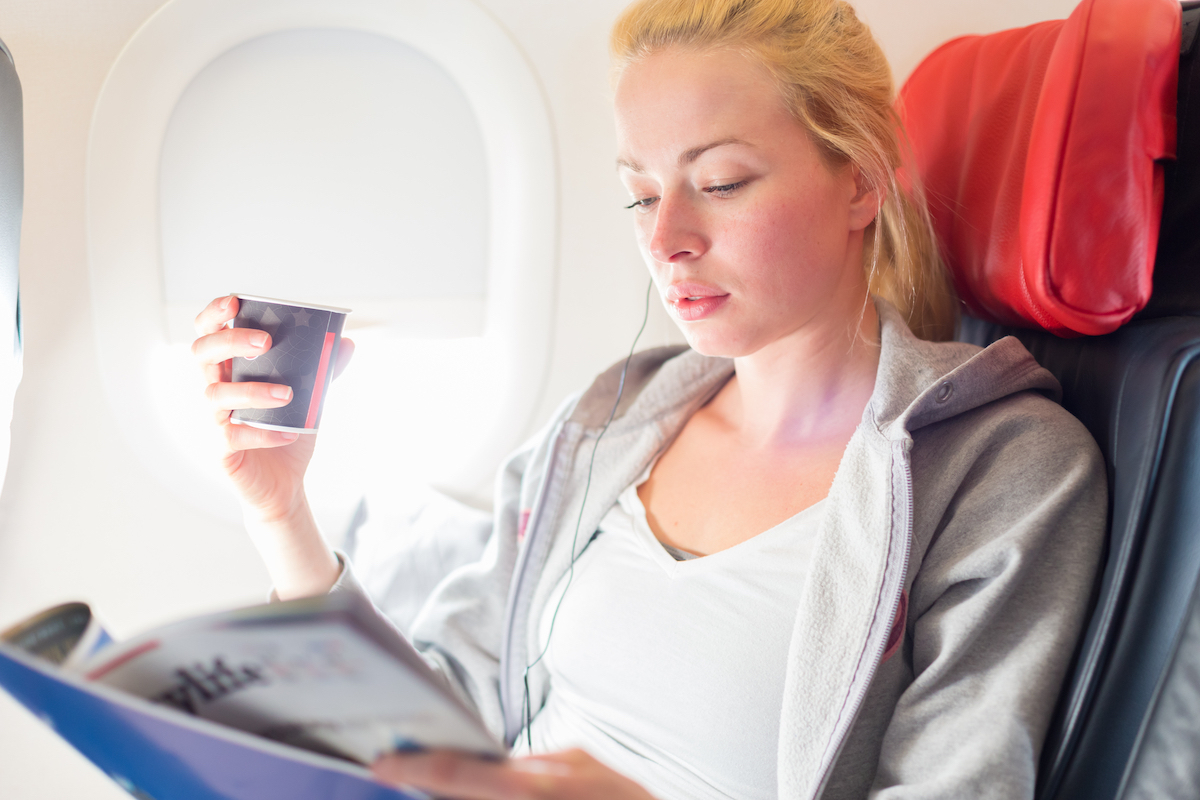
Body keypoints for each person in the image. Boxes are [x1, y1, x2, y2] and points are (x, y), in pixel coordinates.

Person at [191, 0, 1107, 797]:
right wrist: (282, 513)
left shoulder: (1000, 468)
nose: (666, 237)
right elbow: (440, 726)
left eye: (720, 182)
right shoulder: (616, 417)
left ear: (860, 180)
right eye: (638, 195)